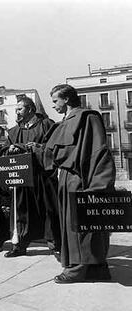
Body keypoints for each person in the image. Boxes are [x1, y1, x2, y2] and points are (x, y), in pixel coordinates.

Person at [37, 84, 115, 284]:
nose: (53, 105)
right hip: (66, 179)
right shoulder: (65, 121)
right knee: (76, 225)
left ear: (67, 99)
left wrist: (99, 184)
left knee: (81, 226)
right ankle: (97, 268)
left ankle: (78, 269)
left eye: (55, 101)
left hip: (81, 179)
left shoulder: (87, 117)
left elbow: (98, 150)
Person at [2, 97, 61, 258]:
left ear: (30, 109)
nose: (17, 112)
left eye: (19, 109)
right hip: (22, 178)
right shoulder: (14, 132)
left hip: (43, 176)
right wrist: (11, 149)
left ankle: (55, 245)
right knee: (21, 210)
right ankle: (19, 245)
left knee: (49, 209)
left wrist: (38, 147)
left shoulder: (47, 125)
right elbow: (4, 150)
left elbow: (56, 148)